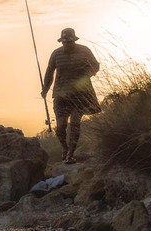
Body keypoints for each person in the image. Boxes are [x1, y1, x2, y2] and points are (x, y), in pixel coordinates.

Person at [41, 28, 101, 164]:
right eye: (64, 42)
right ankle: (65, 148)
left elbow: (95, 66)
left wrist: (86, 75)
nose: (67, 44)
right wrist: (45, 89)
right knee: (61, 126)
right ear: (61, 41)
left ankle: (70, 154)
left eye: (69, 42)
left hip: (80, 95)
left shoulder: (84, 50)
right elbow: (49, 72)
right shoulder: (56, 54)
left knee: (75, 123)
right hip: (61, 96)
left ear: (74, 40)